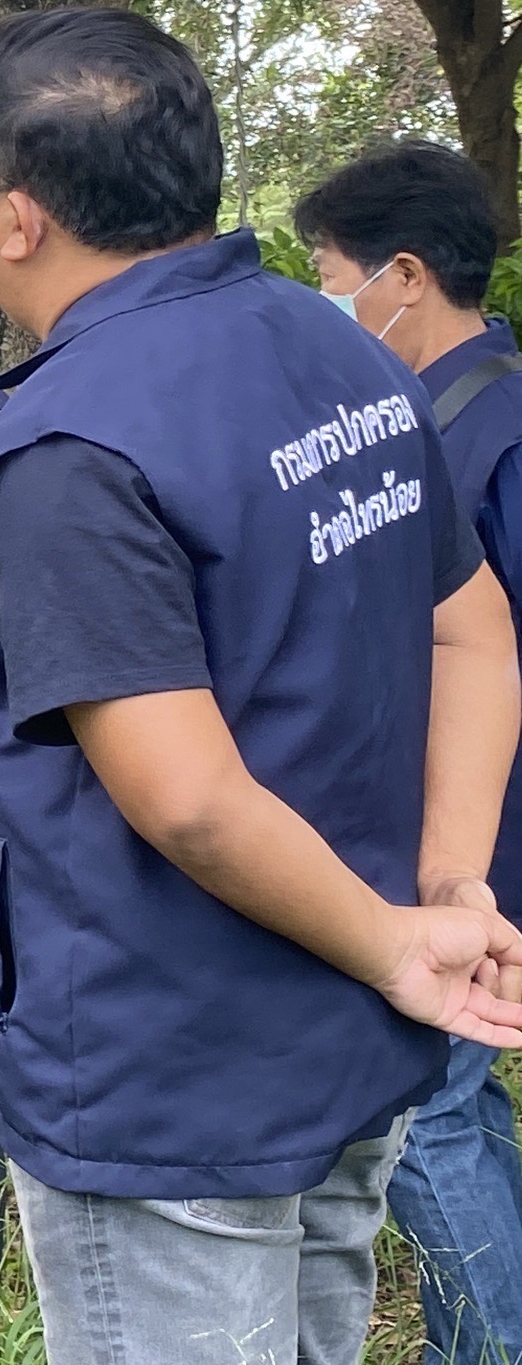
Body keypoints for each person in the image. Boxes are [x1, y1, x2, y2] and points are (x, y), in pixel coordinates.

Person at [0, 6, 522, 1365]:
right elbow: (478, 634)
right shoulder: (351, 356)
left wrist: (405, 940)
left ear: (18, 218)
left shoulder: (68, 447)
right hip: (345, 1027)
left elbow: (191, 800)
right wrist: (441, 888)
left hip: (170, 1073)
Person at [297, 140, 522, 1365]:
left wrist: (461, 861)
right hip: (441, 838)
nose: (328, 302)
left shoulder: (497, 433)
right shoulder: (413, 424)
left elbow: (495, 652)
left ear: (405, 274)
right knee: (455, 1111)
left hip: (474, 847)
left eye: (330, 274)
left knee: (428, 1113)